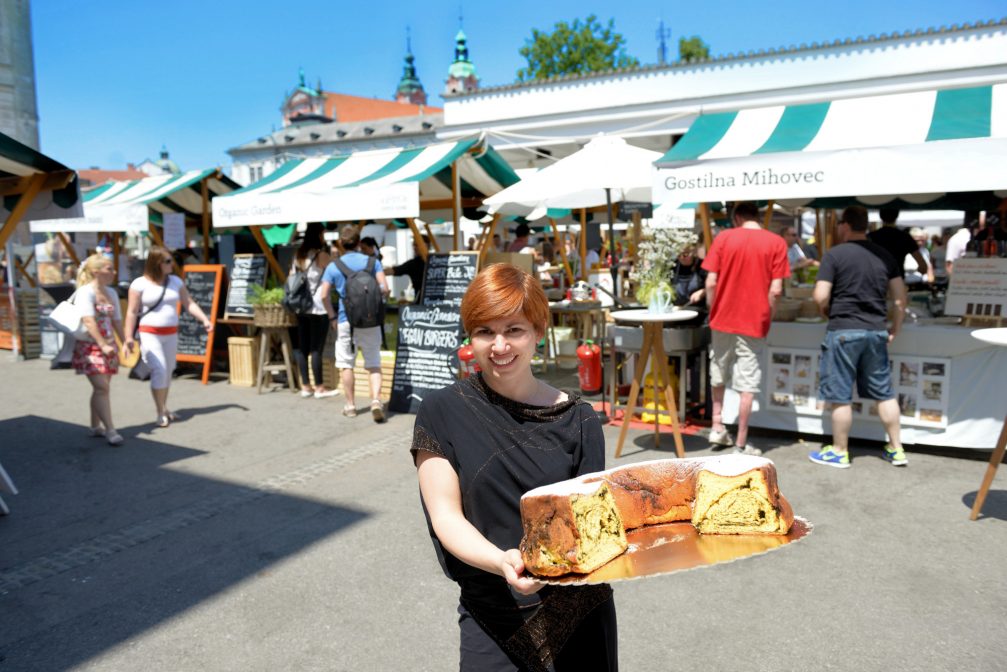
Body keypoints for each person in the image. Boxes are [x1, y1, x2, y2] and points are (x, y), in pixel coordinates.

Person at [411, 263, 618, 671]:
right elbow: (446, 517)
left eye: (514, 330)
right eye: (485, 331)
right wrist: (501, 561)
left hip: (576, 612)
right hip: (494, 611)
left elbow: (590, 528)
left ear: (538, 333)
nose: (499, 345)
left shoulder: (580, 419)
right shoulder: (443, 411)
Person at [808, 206, 908, 468]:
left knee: (840, 395)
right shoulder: (884, 255)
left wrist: (823, 309)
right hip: (875, 330)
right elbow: (900, 298)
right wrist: (895, 328)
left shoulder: (835, 255)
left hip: (843, 329)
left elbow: (820, 295)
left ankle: (840, 451)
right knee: (884, 392)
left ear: (845, 226)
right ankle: (897, 449)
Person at [702, 201, 790, 455]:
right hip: (754, 322)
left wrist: (713, 309)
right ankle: (740, 443)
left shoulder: (724, 238)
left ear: (737, 217)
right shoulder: (776, 242)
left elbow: (710, 282)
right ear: (757, 216)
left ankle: (717, 427)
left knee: (718, 369)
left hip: (722, 318)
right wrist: (767, 316)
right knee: (747, 382)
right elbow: (776, 290)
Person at [123, 246, 213, 427]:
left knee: (168, 371)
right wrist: (128, 338)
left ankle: (164, 407)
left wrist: (204, 319)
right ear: (157, 263)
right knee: (160, 369)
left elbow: (188, 303)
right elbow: (132, 312)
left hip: (171, 333)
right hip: (149, 333)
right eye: (168, 261)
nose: (173, 264)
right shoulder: (139, 284)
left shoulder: (175, 281)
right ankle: (160, 412)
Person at [321, 225, 390, 422]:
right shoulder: (372, 262)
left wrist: (332, 317)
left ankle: (350, 405)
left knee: (346, 365)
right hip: (372, 321)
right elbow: (385, 289)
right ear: (359, 242)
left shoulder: (334, 266)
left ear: (341, 244)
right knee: (374, 364)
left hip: (345, 321)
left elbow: (324, 295)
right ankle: (376, 401)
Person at [72, 254, 127, 446]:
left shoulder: (111, 292)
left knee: (101, 388)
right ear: (96, 271)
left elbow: (117, 320)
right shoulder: (85, 292)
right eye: (109, 269)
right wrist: (102, 344)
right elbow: (89, 320)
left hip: (108, 346)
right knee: (102, 387)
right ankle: (110, 430)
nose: (113, 272)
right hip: (90, 346)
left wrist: (125, 340)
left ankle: (95, 426)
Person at [290, 223, 338, 399]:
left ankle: (305, 386)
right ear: (319, 235)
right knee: (316, 348)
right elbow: (335, 269)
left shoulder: (298, 255)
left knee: (303, 348)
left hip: (301, 306)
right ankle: (319, 387)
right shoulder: (321, 255)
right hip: (318, 307)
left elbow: (291, 277)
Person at [868, 208, 927, 280]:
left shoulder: (871, 237)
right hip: (897, 280)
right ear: (897, 216)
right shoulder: (905, 237)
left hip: (876, 281)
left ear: (880, 216)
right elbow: (923, 266)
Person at [386, 234, 428, 300]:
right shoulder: (413, 263)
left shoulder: (435, 261)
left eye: (416, 245)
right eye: (413, 245)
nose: (414, 247)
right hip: (420, 301)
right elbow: (396, 270)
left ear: (425, 245)